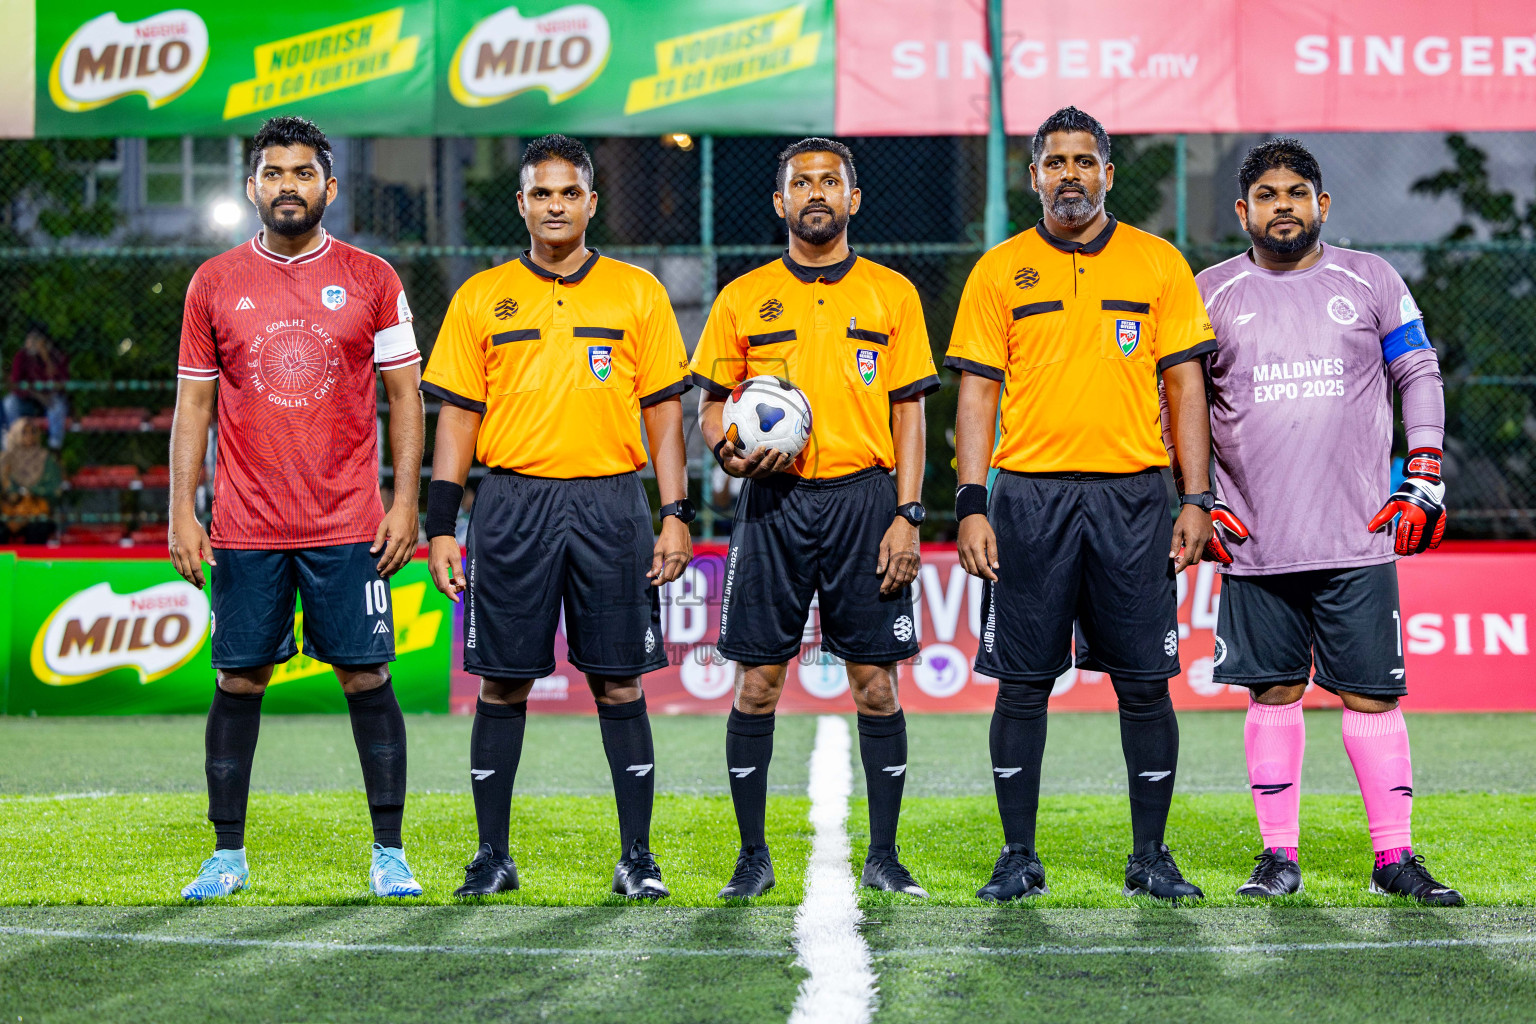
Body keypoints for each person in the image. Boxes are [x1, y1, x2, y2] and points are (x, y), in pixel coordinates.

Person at [947, 106, 1217, 902]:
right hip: (1028, 499)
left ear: (1107, 172)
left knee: (1144, 683)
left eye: (1084, 161)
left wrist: (1195, 497)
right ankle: (1018, 857)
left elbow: (1185, 388)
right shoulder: (999, 271)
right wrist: (970, 502)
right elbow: (976, 394)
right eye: (1054, 162)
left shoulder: (1158, 263)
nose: (1070, 174)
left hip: (1135, 499)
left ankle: (1151, 858)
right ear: (1033, 177)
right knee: (1023, 683)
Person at [421, 134, 693, 900]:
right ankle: (491, 856)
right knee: (503, 685)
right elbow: (456, 419)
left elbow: (665, 413)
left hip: (612, 502)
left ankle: (637, 857)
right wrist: (441, 524)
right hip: (510, 504)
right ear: (521, 204)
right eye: (541, 193)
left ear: (591, 202)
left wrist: (675, 512)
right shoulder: (482, 296)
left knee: (620, 683)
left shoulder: (637, 292)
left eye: (568, 192)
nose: (554, 205)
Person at [1196, 139, 1461, 905]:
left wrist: (1423, 476)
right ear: (1243, 210)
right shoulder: (1210, 291)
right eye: (1268, 194)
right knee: (1272, 694)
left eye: (1298, 192)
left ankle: (1394, 859)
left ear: (1322, 205)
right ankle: (1278, 857)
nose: (1284, 204)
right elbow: (1171, 405)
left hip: (1358, 534)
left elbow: (1418, 372)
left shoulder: (1371, 278)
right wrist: (1198, 495)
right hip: (1255, 538)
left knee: (1373, 698)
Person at [168, 116, 426, 900]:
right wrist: (183, 508)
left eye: (303, 172)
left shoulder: (374, 277)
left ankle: (389, 852)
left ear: (329, 187)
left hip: (348, 522)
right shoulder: (213, 282)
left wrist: (405, 499)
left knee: (364, 675)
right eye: (274, 172)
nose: (288, 184)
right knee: (239, 681)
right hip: (246, 524)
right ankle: (227, 854)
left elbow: (406, 397)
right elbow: (193, 407)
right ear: (252, 187)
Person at [691, 138, 940, 900]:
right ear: (780, 202)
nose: (817, 192)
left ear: (854, 199)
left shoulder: (892, 294)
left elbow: (910, 413)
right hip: (773, 503)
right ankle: (751, 857)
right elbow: (708, 406)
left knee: (876, 685)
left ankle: (886, 857)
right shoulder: (743, 296)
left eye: (831, 180)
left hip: (867, 502)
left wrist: (907, 512)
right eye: (802, 182)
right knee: (758, 682)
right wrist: (727, 455)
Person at [5, 323, 69, 449]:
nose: (31, 343)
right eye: (29, 339)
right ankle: (14, 442)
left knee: (56, 406)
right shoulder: (22, 356)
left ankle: (55, 446)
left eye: (36, 339)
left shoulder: (56, 356)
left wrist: (45, 357)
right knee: (9, 403)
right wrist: (37, 395)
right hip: (29, 398)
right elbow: (16, 383)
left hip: (50, 397)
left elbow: (60, 382)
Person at [0, 418, 61, 543]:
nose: (29, 436)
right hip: (10, 510)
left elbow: (55, 490)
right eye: (24, 432)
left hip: (37, 510)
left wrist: (31, 492)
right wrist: (11, 494)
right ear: (16, 434)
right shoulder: (5, 460)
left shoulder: (47, 460)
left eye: (33, 432)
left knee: (37, 527)